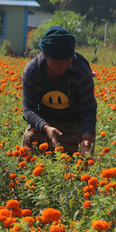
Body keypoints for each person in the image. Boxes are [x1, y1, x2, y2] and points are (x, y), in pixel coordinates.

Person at [22, 26, 97, 157]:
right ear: (45, 55)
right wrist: (46, 127)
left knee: (80, 164)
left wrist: (86, 139)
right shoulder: (32, 70)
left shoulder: (80, 71)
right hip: (46, 120)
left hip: (75, 122)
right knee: (29, 147)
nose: (63, 66)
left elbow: (88, 109)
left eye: (67, 61)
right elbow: (28, 108)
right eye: (57, 62)